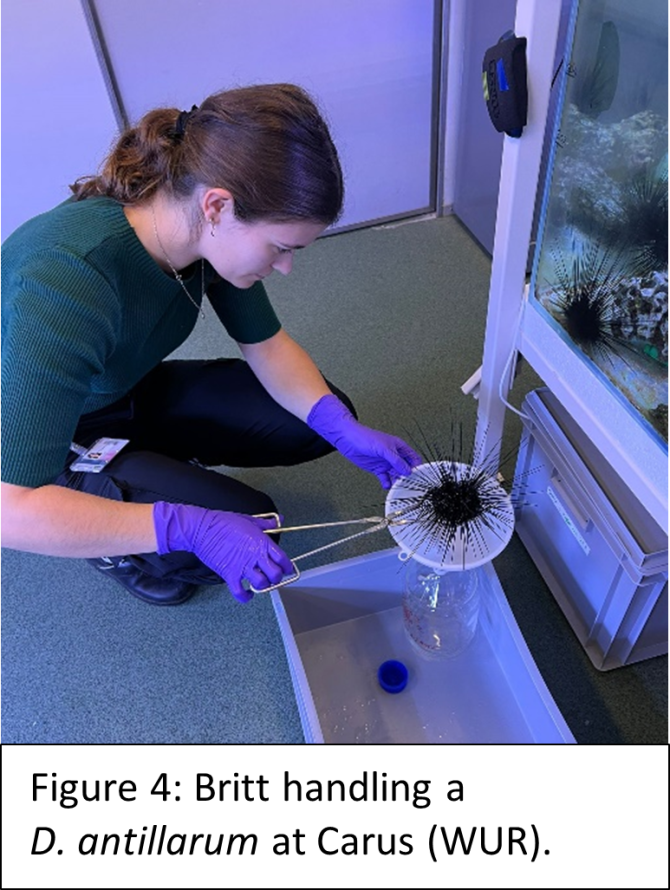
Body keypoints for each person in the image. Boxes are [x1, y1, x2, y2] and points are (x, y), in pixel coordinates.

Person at [0, 83, 422, 607]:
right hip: (44, 439)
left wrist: (342, 426)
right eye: (281, 247)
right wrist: (186, 526)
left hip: (121, 389)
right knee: (246, 529)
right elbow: (9, 508)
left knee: (316, 416)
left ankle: (146, 468)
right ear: (219, 206)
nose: (286, 268)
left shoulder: (194, 226)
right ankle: (115, 546)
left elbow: (268, 345)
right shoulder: (66, 282)